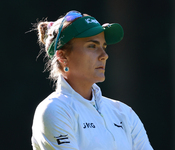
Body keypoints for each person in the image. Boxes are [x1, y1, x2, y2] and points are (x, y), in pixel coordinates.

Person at [31, 10, 153, 150]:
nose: (104, 55)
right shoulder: (54, 109)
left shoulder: (124, 112)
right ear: (62, 56)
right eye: (92, 46)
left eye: (104, 46)